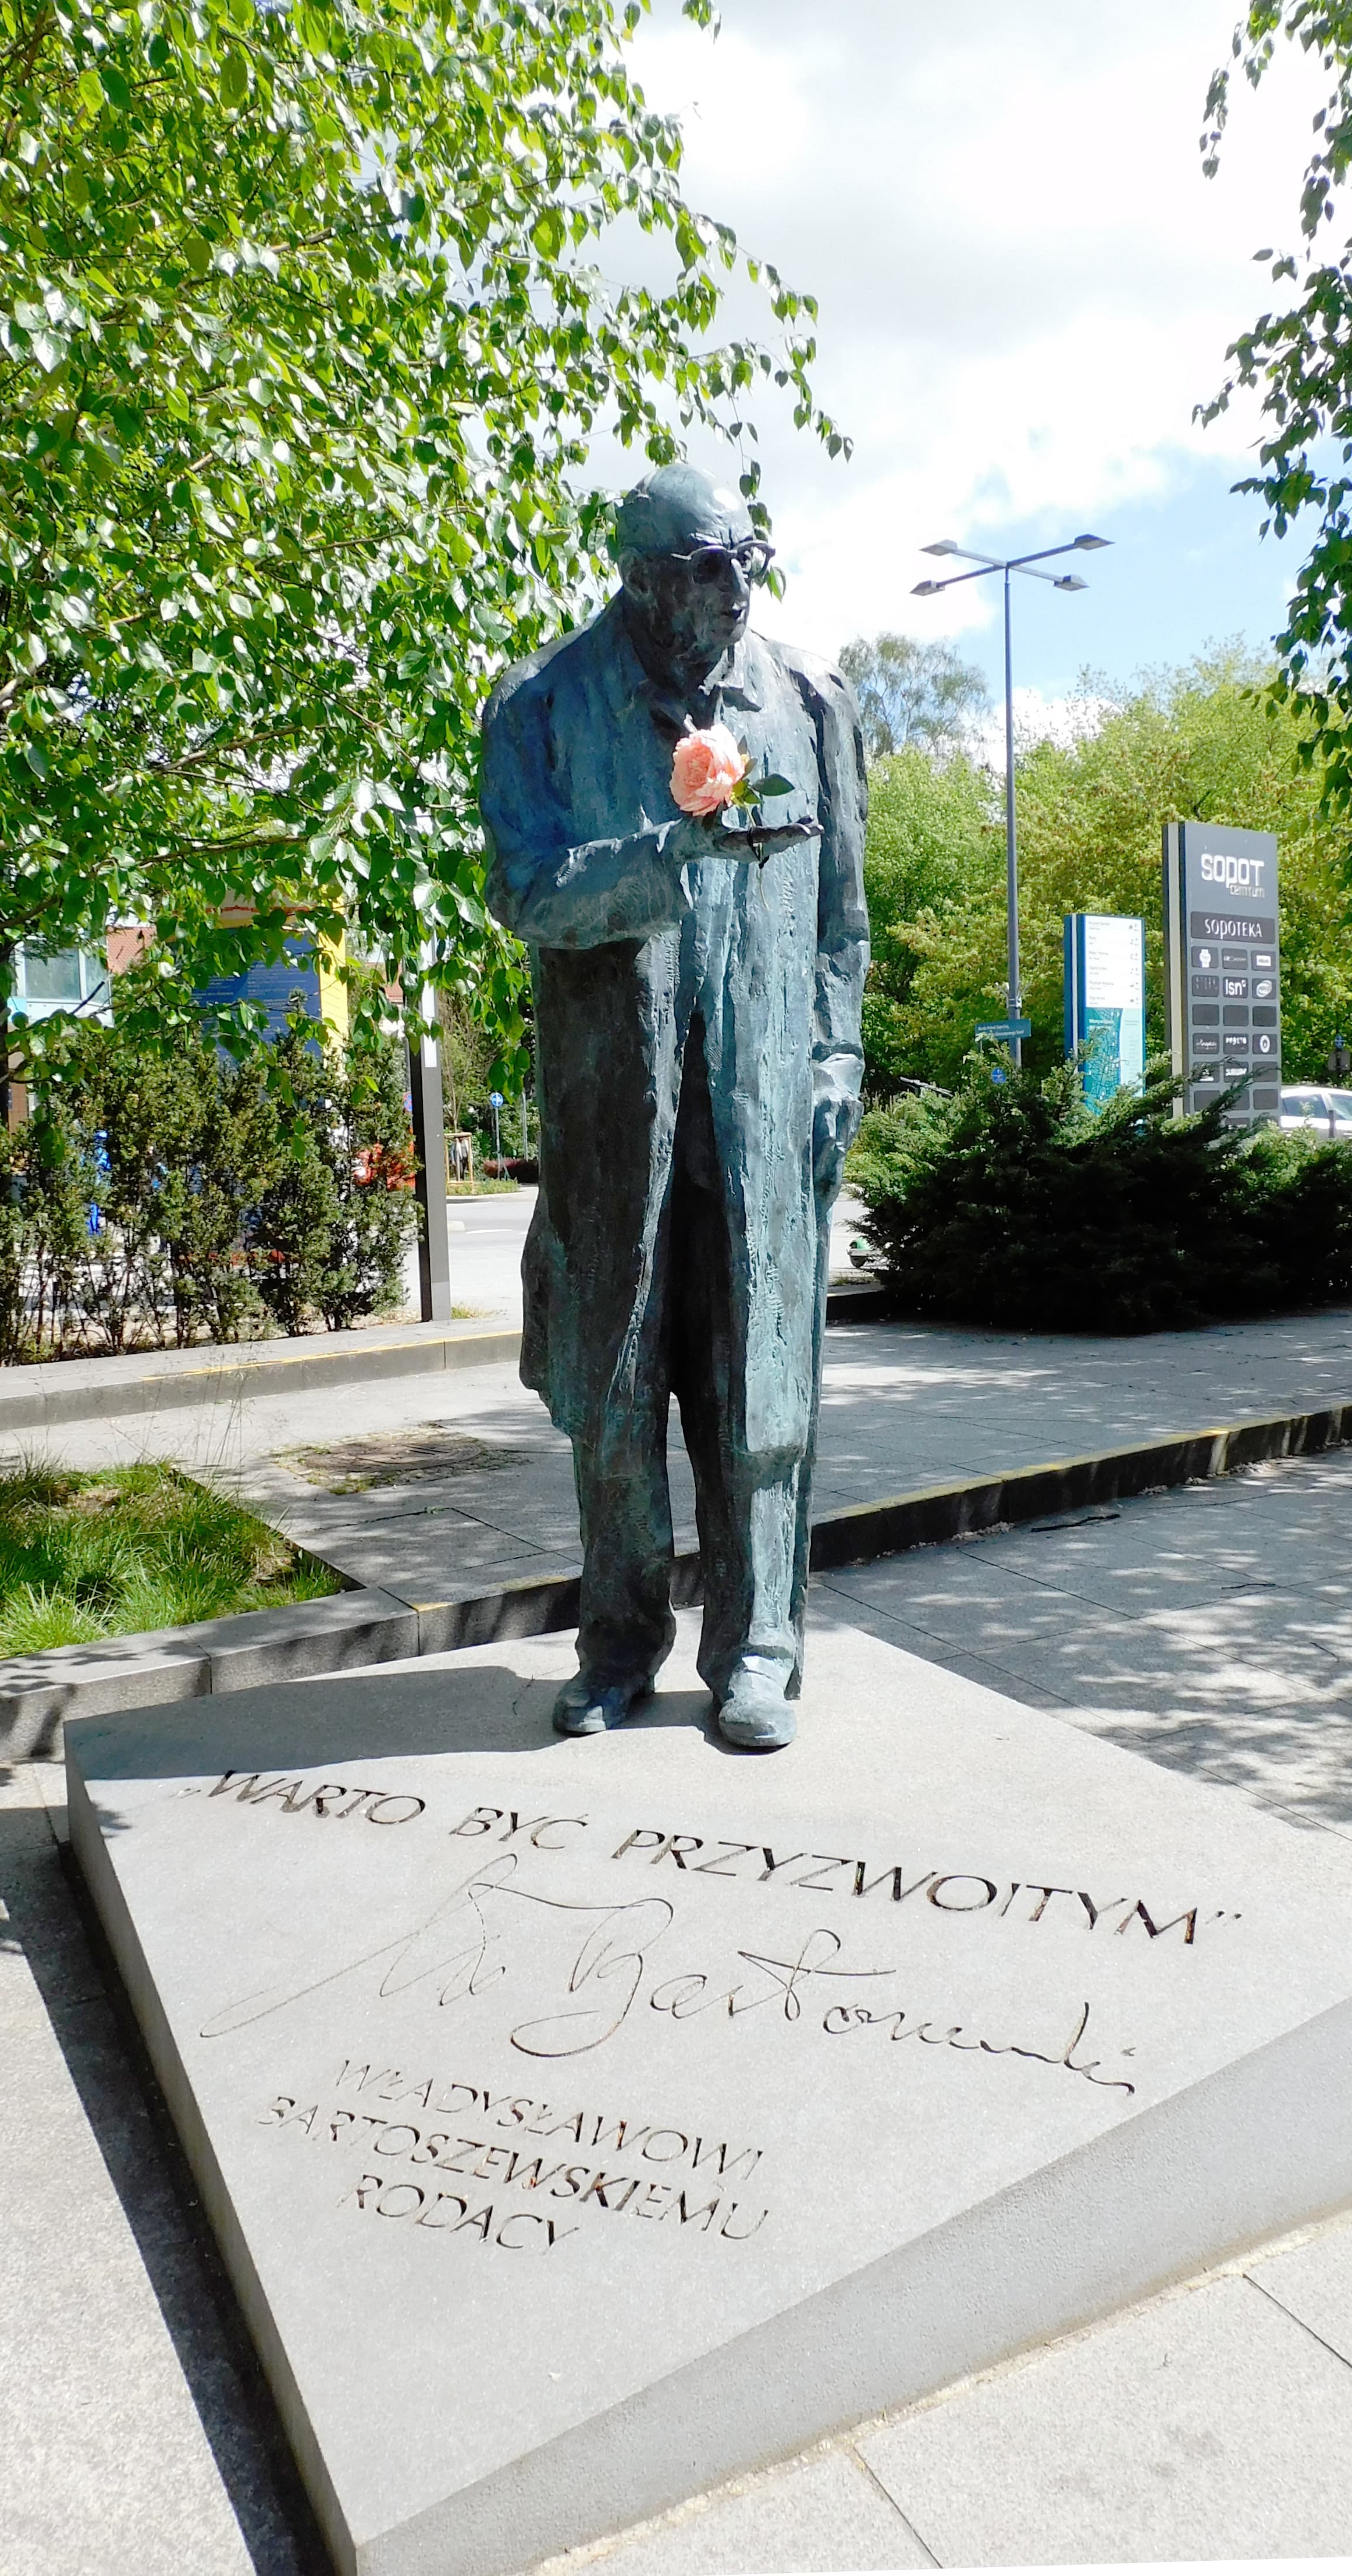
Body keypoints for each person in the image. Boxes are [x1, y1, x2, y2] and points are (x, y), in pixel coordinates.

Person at [479, 464, 867, 1751]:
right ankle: (618, 1638)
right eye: (704, 574)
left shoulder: (806, 699)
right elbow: (530, 893)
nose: (732, 598)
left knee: (762, 1393)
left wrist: (834, 1063)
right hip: (614, 1119)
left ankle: (760, 1647)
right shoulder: (542, 704)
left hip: (760, 1114)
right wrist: (663, 858)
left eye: (743, 567)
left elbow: (839, 921)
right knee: (617, 1393)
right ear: (640, 578)